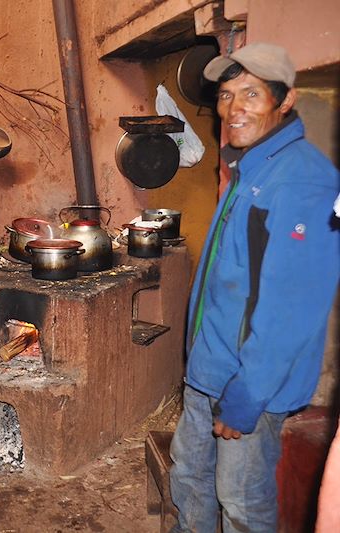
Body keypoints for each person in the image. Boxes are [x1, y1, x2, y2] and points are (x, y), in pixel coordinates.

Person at [169, 42, 340, 532]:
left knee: (240, 502)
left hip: (248, 383)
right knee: (191, 478)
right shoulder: (253, 166)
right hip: (212, 367)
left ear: (286, 100)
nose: (233, 109)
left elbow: (290, 310)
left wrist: (245, 399)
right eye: (226, 95)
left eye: (251, 94)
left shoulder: (303, 183)